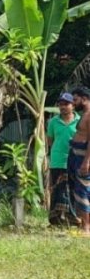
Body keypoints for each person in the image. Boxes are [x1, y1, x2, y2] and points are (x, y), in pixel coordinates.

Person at [47, 93, 80, 226]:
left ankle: (72, 217)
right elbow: (50, 141)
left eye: (66, 104)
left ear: (73, 106)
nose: (63, 107)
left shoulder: (80, 121)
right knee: (57, 189)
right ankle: (55, 219)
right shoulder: (53, 122)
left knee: (72, 189)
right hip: (57, 161)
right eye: (60, 104)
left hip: (75, 160)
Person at [69, 87, 90, 235]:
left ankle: (86, 227)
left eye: (75, 100)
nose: (73, 103)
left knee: (83, 190)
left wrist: (86, 162)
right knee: (78, 190)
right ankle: (84, 223)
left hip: (83, 157)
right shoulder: (84, 115)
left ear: (84, 98)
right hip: (76, 155)